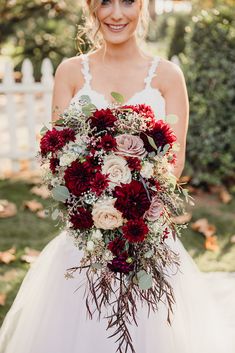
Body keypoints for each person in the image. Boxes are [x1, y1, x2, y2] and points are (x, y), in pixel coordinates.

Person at [0, 1, 234, 352]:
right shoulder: (71, 72)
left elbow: (175, 159)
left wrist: (133, 202)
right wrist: (94, 205)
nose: (116, 14)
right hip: (84, 240)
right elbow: (57, 154)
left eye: (127, 1)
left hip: (145, 234)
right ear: (91, 8)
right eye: (105, 2)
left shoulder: (168, 75)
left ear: (142, 7)